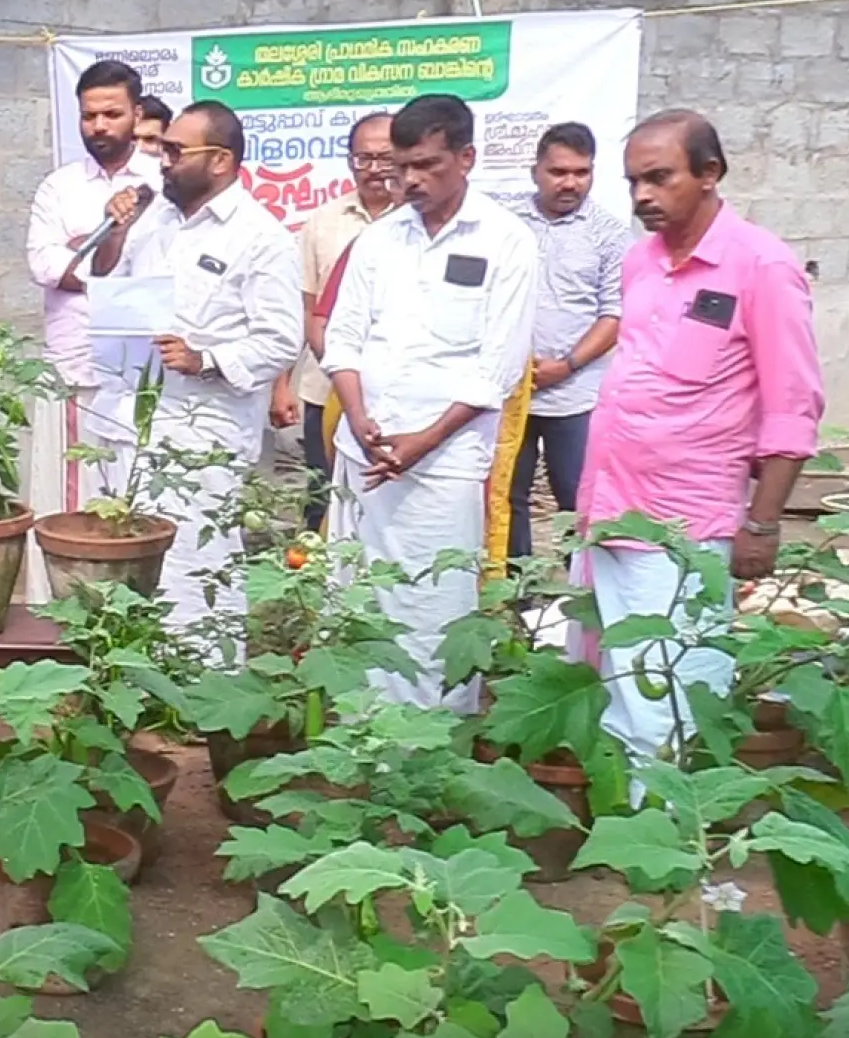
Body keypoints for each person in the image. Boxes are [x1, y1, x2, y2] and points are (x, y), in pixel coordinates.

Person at [577, 109, 823, 770]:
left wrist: (763, 525)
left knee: (679, 680)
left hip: (687, 524)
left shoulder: (762, 267)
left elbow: (793, 405)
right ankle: (638, 825)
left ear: (710, 174)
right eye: (633, 183)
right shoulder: (640, 264)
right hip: (611, 506)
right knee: (620, 673)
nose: (643, 198)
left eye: (659, 179)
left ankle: (676, 830)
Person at [322, 95, 536, 711]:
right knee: (358, 595)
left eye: (427, 165)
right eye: (401, 167)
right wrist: (359, 418)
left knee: (433, 602)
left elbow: (496, 366)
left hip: (444, 463)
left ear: (466, 158)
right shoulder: (381, 238)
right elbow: (343, 338)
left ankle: (431, 748)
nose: (411, 180)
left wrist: (423, 441)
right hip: (364, 454)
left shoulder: (507, 241)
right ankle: (360, 737)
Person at [86, 100, 301, 635]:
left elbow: (280, 340)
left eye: (175, 150)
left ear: (221, 160)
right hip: (132, 420)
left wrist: (206, 359)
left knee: (194, 568)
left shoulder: (260, 236)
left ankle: (203, 698)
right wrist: (114, 230)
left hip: (203, 432)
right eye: (160, 148)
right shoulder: (153, 217)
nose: (161, 160)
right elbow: (109, 280)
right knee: (131, 566)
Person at [26, 60, 165, 509]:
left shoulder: (163, 184)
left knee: (139, 502)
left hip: (147, 373)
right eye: (90, 116)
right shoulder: (58, 187)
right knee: (69, 506)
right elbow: (47, 266)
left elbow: (163, 274)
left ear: (137, 114)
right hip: (77, 370)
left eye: (112, 114)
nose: (99, 126)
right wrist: (108, 242)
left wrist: (81, 249)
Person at [498, 123, 629, 560]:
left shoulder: (610, 235)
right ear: (536, 170)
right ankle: (515, 599)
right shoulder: (504, 222)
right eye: (558, 171)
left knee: (578, 500)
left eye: (581, 172)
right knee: (506, 498)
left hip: (575, 395)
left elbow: (614, 314)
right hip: (508, 390)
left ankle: (580, 597)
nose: (570, 182)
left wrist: (566, 365)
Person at [276, 112, 398, 531]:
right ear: (349, 162)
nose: (375, 170)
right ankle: (313, 583)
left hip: (395, 387)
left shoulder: (415, 223)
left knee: (384, 492)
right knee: (321, 489)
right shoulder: (323, 223)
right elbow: (308, 309)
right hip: (322, 383)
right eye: (364, 159)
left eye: (385, 158)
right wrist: (336, 369)